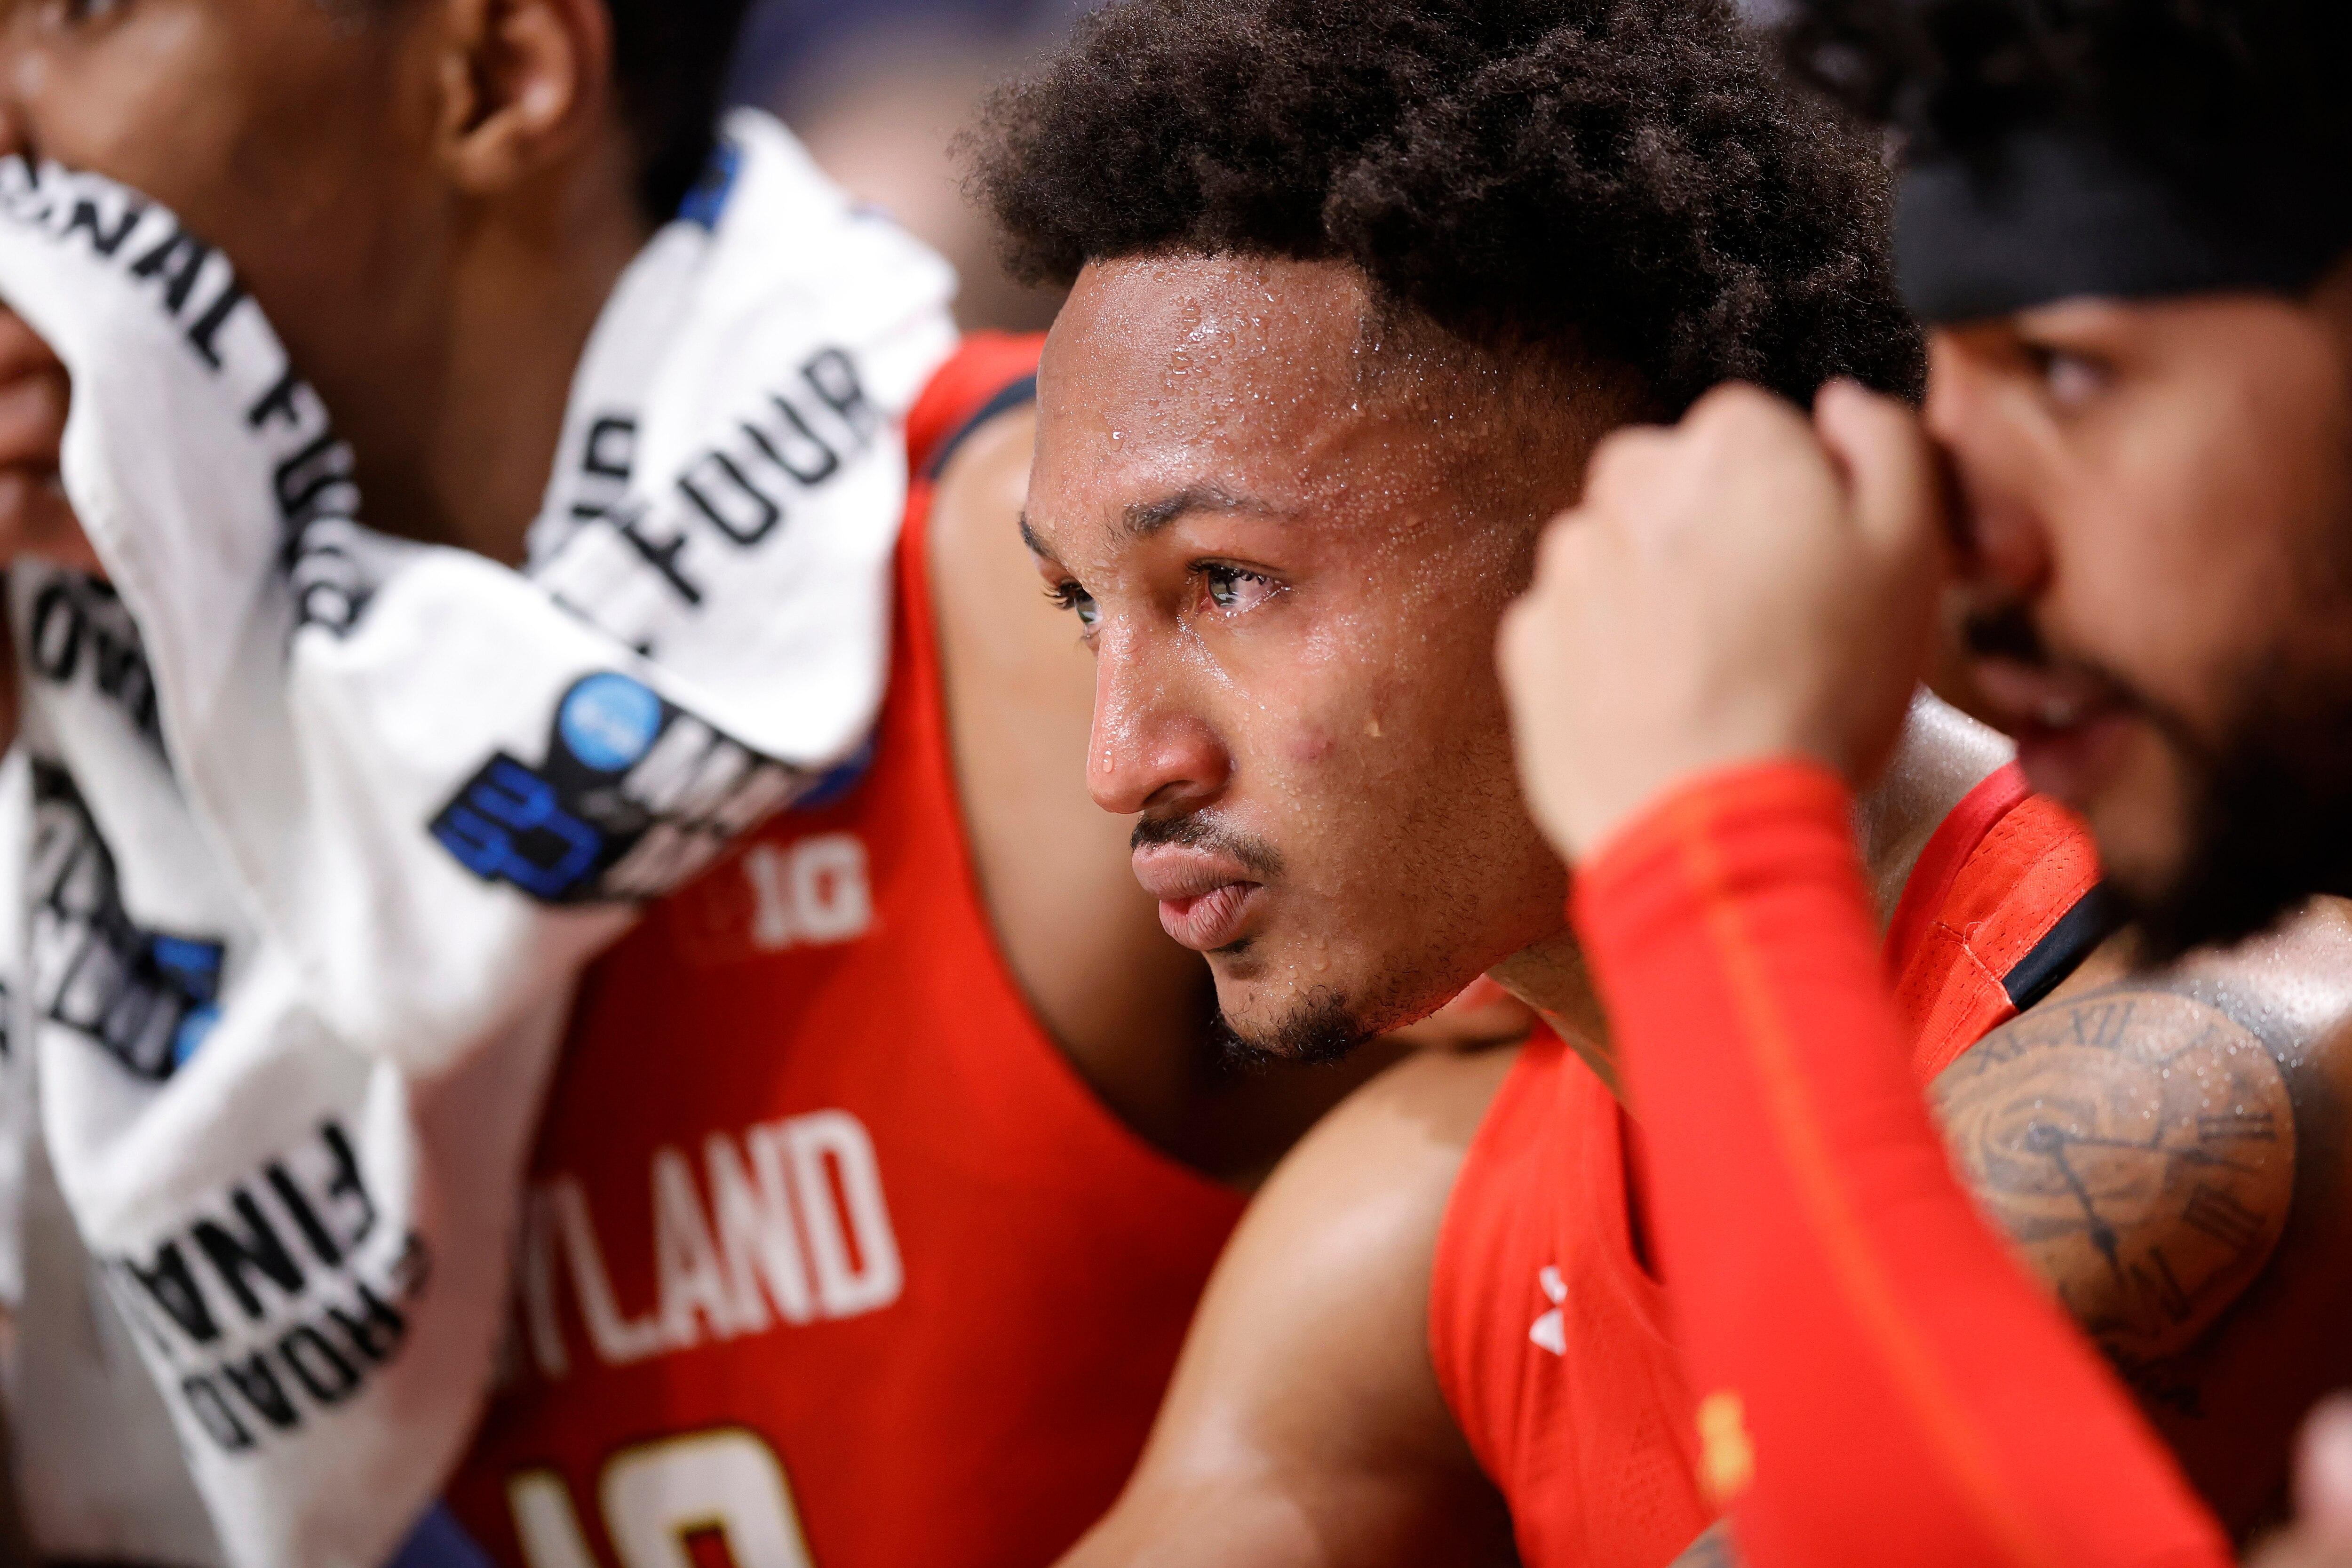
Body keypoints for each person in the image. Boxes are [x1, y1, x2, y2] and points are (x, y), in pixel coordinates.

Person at [0, 3, 1393, 1566]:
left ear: (493, 74)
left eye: (73, 17)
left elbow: (1589, 1196)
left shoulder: (1051, 593)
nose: (6, 126)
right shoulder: (67, 741)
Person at [969, 0, 2352, 1563]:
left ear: (1655, 510)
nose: (1123, 760)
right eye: (1082, 606)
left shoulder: (2215, 1056)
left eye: (1226, 581)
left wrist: (1703, 840)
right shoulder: (1428, 1201)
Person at [1489, 0, 2352, 1563]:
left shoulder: (2263, 1025)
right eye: (1944, 383)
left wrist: (1711, 850)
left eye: (2067, 371)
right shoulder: (1444, 1179)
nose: (1964, 544)